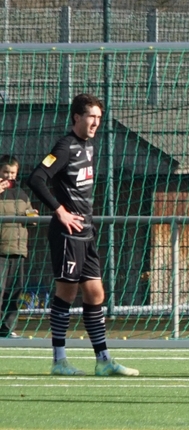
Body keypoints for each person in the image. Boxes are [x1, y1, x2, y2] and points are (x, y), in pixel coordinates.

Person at [28, 93, 138, 376]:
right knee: (67, 292)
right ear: (77, 117)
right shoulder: (64, 146)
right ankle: (59, 361)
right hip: (67, 234)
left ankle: (103, 360)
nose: (96, 123)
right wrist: (60, 211)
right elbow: (37, 178)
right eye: (91, 116)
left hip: (86, 233)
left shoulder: (88, 146)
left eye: (99, 117)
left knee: (95, 292)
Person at [1, 155, 37, 338]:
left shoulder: (22, 194)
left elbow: (29, 214)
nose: (9, 176)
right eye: (5, 172)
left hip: (18, 250)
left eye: (13, 172)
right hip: (1, 250)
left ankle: (7, 328)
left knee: (14, 291)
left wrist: (32, 216)